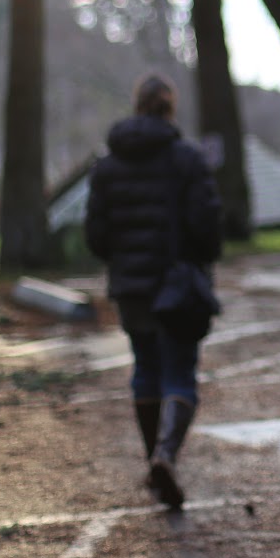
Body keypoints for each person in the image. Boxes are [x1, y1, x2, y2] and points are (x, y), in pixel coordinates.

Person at [86, 74, 222, 510]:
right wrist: (201, 259)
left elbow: (95, 235)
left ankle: (154, 462)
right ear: (170, 109)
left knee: (145, 368)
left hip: (131, 287)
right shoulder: (187, 159)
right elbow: (207, 224)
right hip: (177, 286)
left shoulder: (108, 166)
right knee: (180, 372)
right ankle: (165, 455)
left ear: (137, 106)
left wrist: (122, 260)